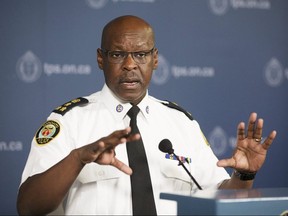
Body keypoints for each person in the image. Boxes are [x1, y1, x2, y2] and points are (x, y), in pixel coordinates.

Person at [17, 15, 277, 215]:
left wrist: (244, 175)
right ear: (100, 59)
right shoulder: (70, 121)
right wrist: (78, 159)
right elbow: (28, 207)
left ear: (155, 59)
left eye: (140, 54)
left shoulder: (180, 123)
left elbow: (220, 200)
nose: (130, 64)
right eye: (118, 54)